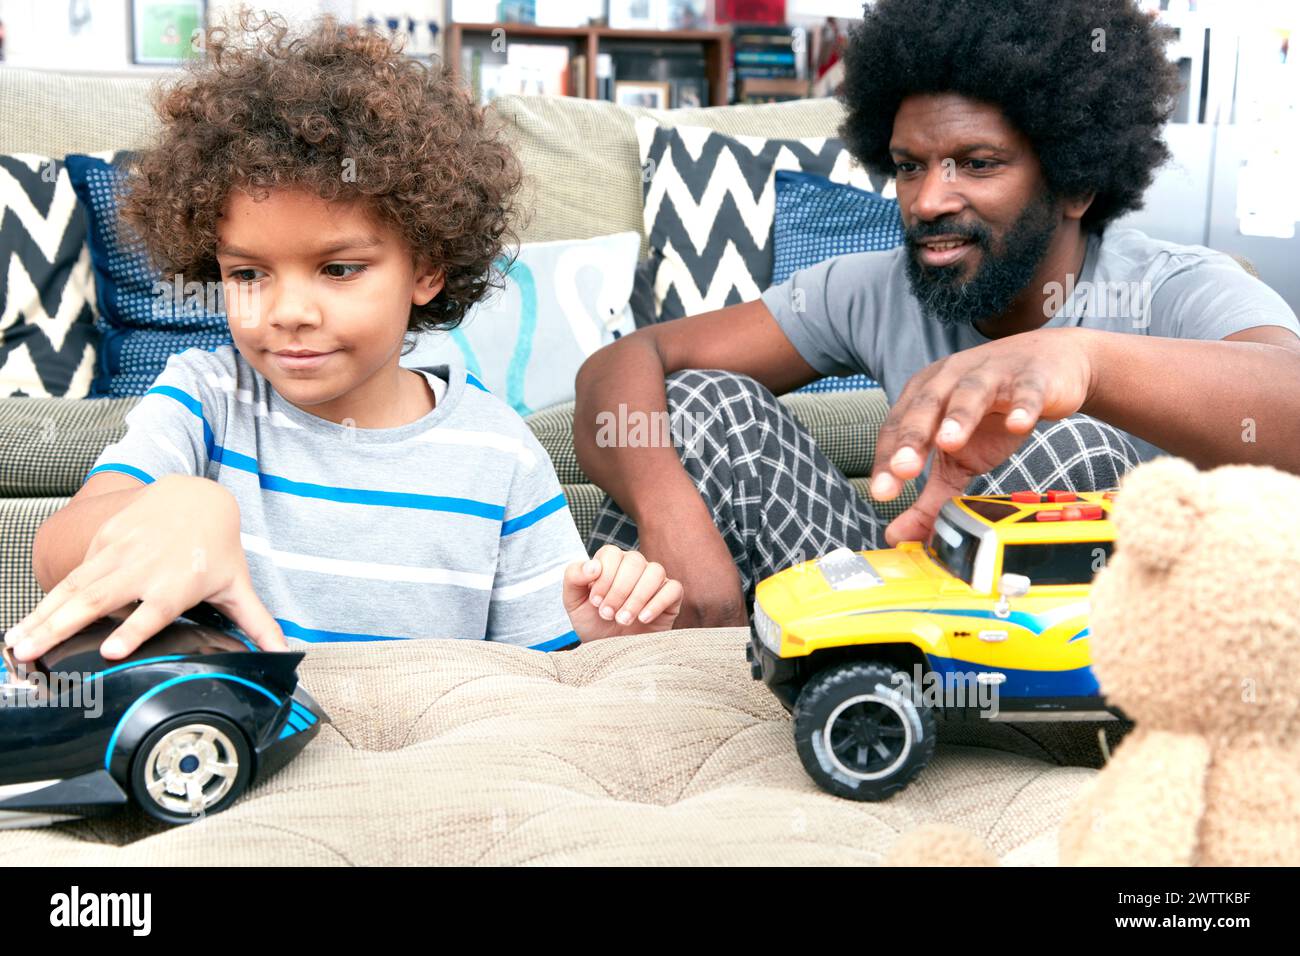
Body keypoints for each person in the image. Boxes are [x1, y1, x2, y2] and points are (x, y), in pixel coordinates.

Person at [574, 0, 1300, 628]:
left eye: (977, 163)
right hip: (906, 616)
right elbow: (628, 362)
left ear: (1076, 181)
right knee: (706, 407)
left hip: (1078, 649)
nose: (926, 202)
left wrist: (1081, 359)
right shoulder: (875, 287)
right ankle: (677, 684)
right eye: (910, 165)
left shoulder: (1173, 286)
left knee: (1067, 446)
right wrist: (677, 525)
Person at [5, 13, 681, 664]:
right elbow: (57, 550)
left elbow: (536, 680)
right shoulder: (205, 399)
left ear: (426, 267)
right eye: (248, 273)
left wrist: (601, 636)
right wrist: (179, 507)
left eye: (338, 269)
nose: (289, 311)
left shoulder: (500, 453)